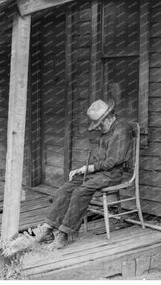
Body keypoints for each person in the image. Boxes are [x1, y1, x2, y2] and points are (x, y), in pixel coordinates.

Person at [36, 99, 133, 248]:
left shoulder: (121, 131)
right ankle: (49, 227)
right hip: (100, 172)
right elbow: (101, 159)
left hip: (113, 174)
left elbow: (112, 162)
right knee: (66, 187)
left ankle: (64, 234)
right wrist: (82, 169)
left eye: (100, 124)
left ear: (108, 118)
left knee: (80, 192)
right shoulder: (108, 130)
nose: (99, 128)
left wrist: (89, 169)